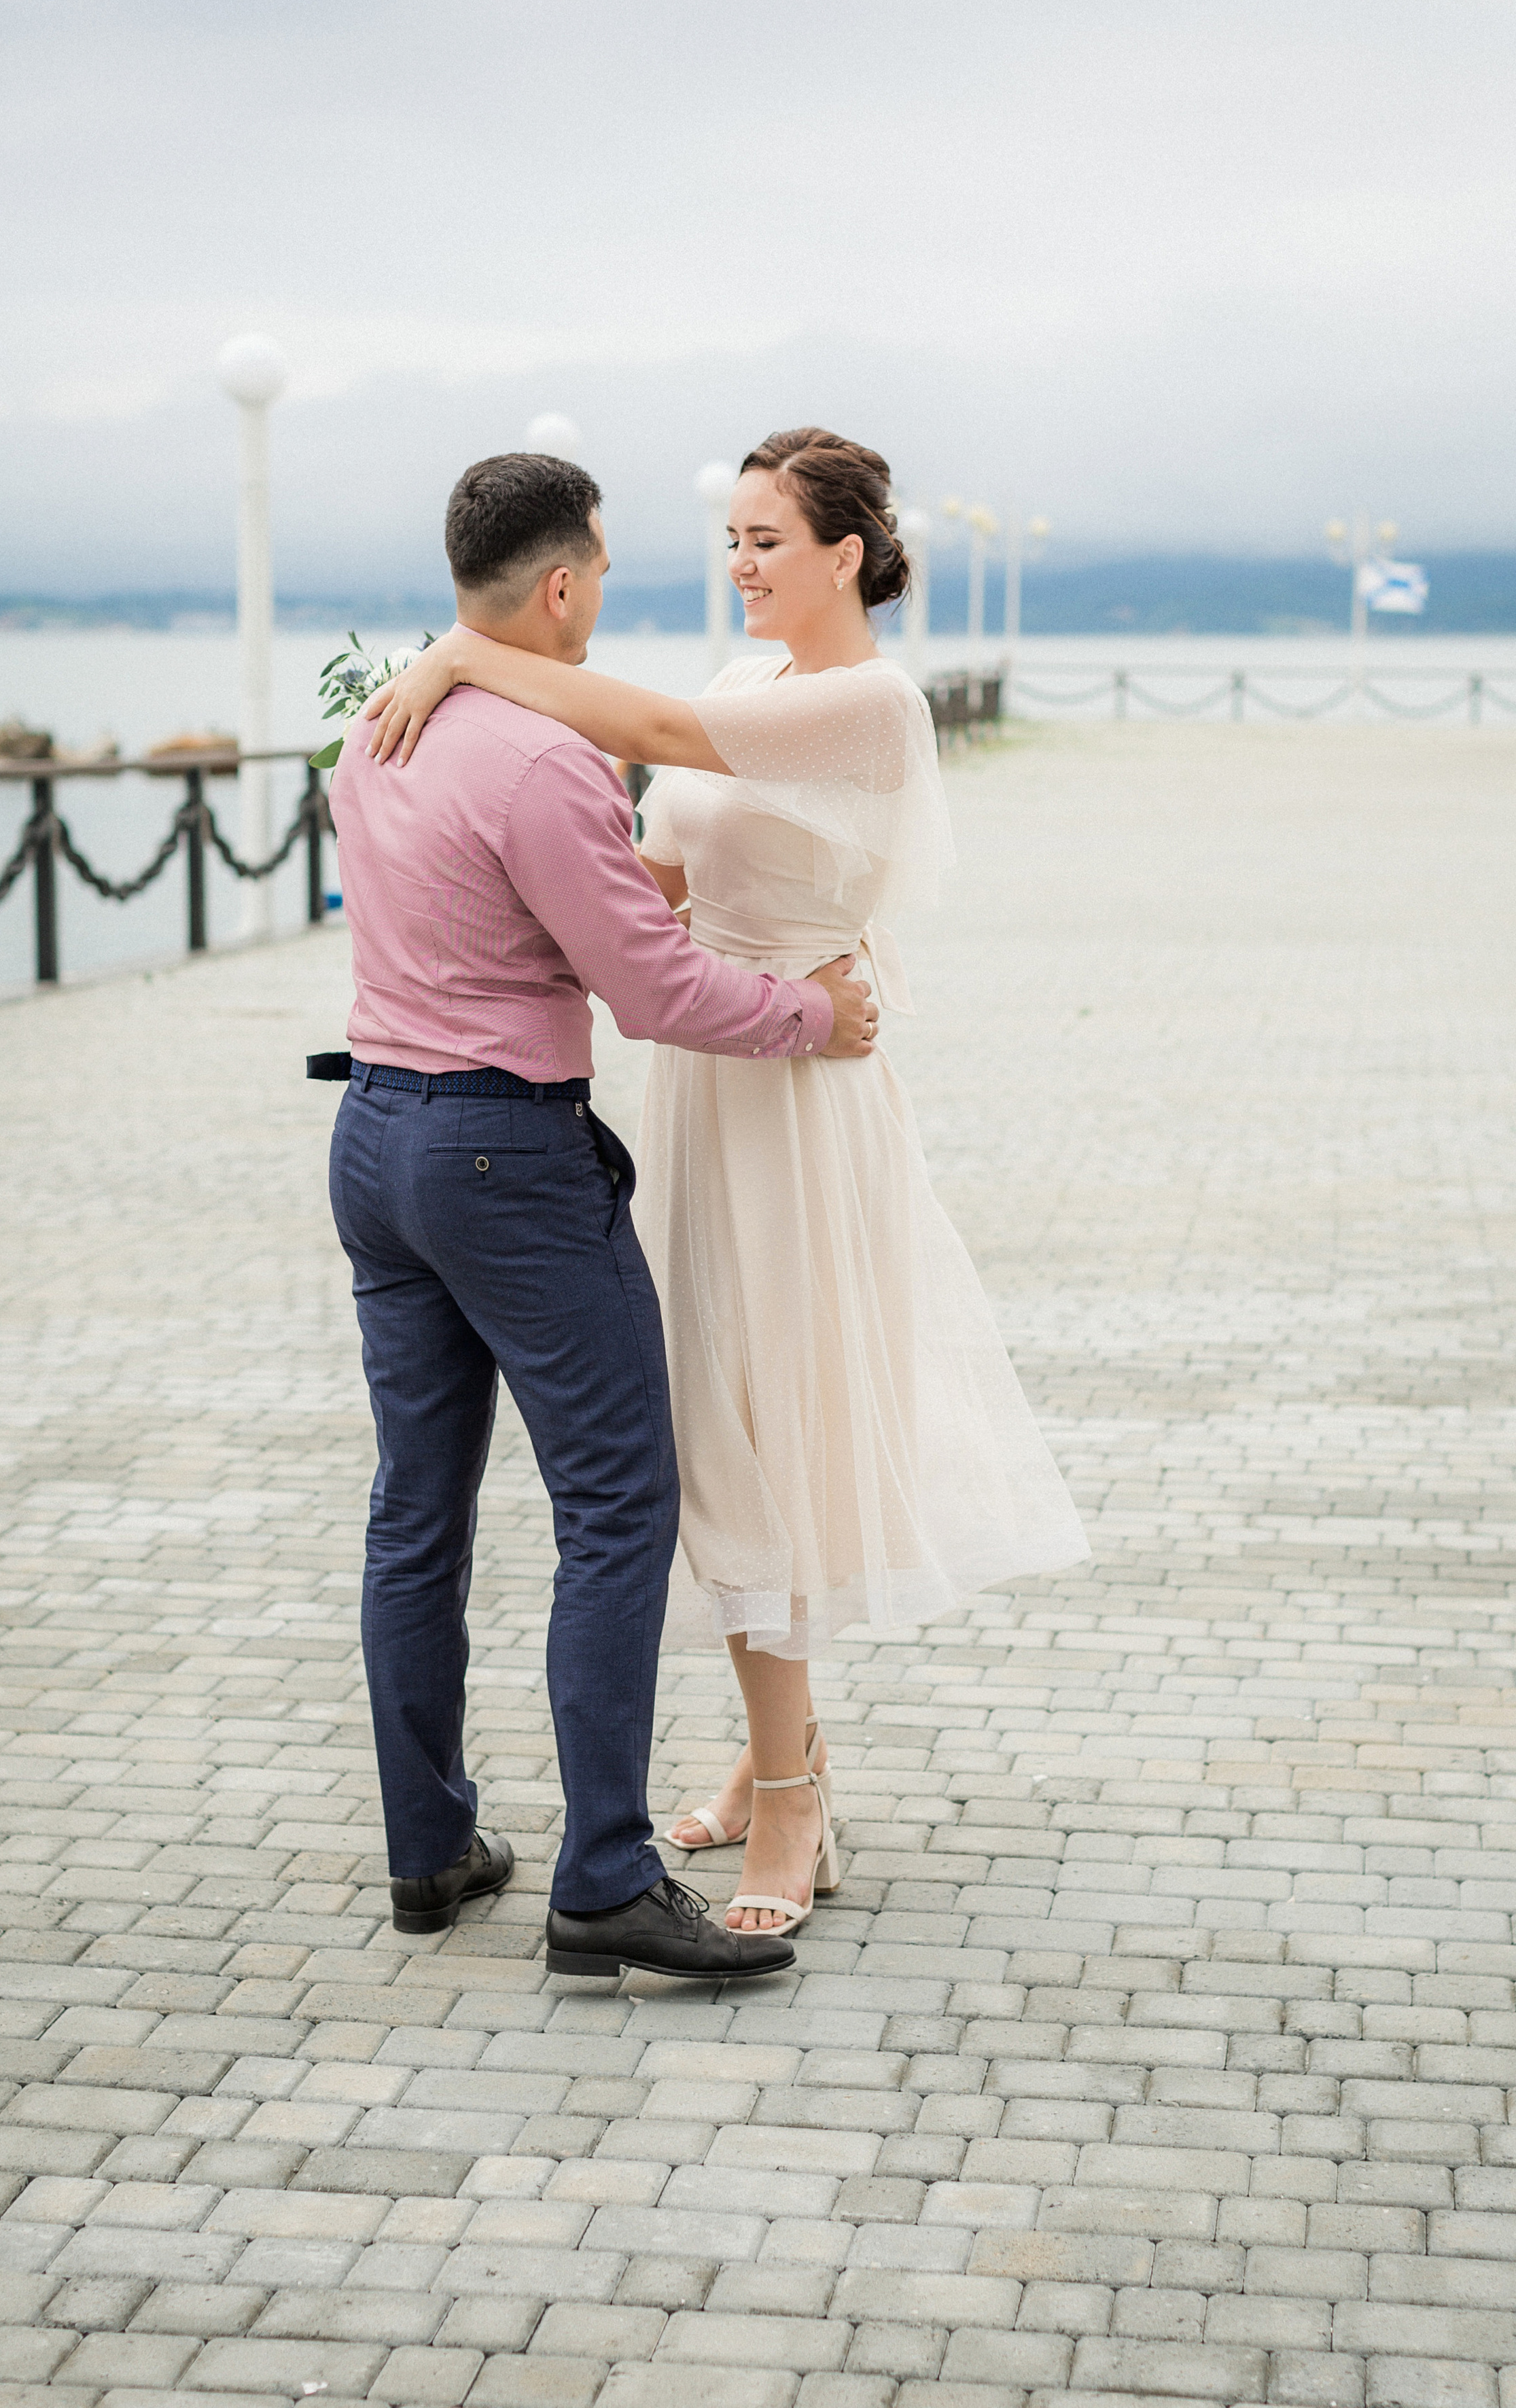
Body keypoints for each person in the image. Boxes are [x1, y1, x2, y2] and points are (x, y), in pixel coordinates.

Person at [366, 427, 1089, 1934]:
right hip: (706, 1071)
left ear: (847, 552)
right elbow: (663, 872)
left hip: (799, 1089)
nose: (744, 563)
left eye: (770, 539)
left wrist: (457, 658)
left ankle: (791, 1801)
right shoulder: (748, 682)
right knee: (709, 1420)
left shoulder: (870, 704)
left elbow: (646, 732)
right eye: (731, 541)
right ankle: (779, 1747)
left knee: (772, 1428)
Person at [326, 449, 881, 1983]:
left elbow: (494, 920)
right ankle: (603, 1884)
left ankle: (429, 1851)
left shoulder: (383, 732)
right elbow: (646, 991)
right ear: (561, 586)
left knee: (412, 1516)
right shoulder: (543, 754)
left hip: (370, 1137)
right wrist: (803, 1015)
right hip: (503, 1161)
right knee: (620, 1510)